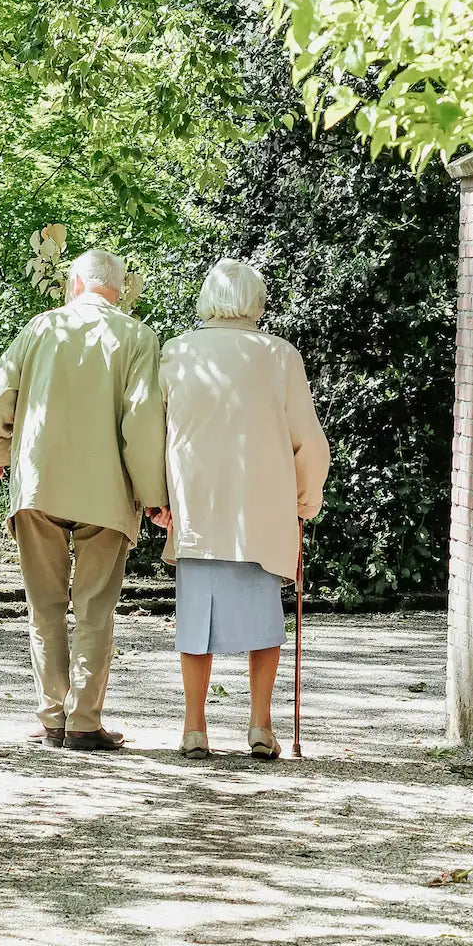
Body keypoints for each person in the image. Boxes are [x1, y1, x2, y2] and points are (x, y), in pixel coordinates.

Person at [0, 249, 168, 751]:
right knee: (95, 608)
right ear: (119, 289)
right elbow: (143, 420)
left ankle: (51, 716)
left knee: (44, 605)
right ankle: (84, 722)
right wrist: (153, 495)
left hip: (39, 483)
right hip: (106, 491)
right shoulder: (137, 337)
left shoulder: (39, 328)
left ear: (74, 284)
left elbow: (0, 394)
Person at [157, 259, 330, 760]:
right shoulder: (278, 355)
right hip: (262, 507)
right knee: (263, 619)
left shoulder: (177, 352)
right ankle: (260, 725)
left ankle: (194, 728)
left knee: (195, 621)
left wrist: (156, 498)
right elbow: (308, 442)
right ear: (256, 302)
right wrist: (305, 498)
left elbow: (154, 433)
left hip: (197, 507)